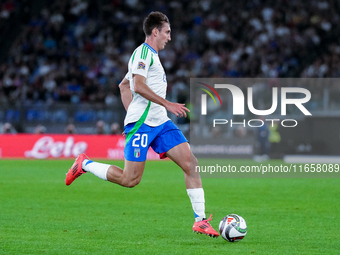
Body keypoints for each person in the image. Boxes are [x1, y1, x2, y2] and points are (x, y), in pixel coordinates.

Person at [65, 11, 219, 237]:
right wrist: (159, 107)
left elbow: (123, 86)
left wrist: (134, 111)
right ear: (155, 31)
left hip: (160, 123)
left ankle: (200, 220)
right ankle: (85, 164)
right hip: (144, 125)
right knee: (130, 180)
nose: (169, 37)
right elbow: (137, 85)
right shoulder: (143, 53)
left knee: (191, 163)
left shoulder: (151, 56)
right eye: (167, 32)